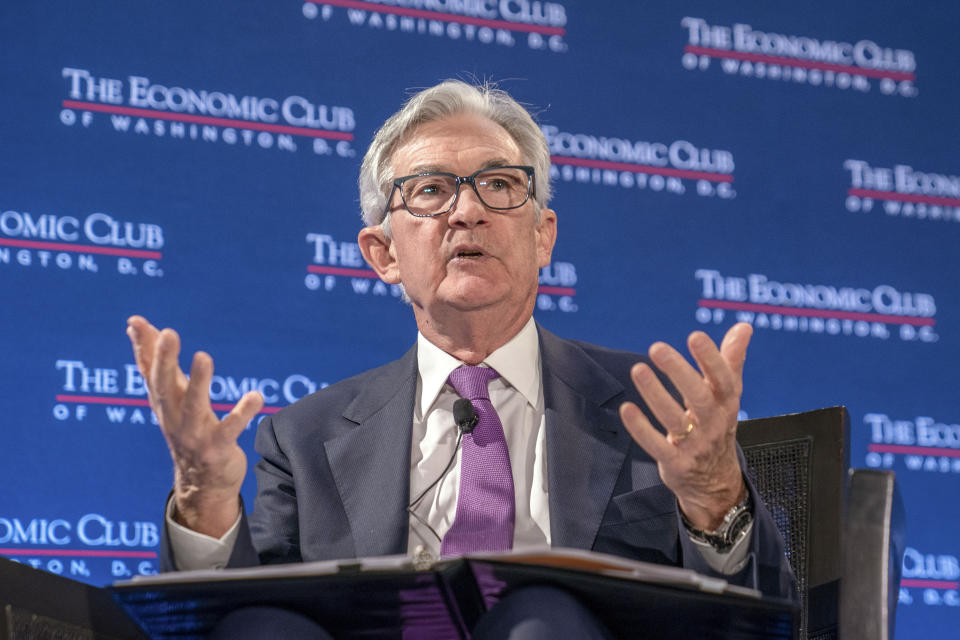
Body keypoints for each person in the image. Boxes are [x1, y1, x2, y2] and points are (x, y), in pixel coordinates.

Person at [126, 80, 796, 638]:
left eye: (500, 185)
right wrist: (205, 497)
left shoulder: (652, 412)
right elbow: (239, 618)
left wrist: (713, 499)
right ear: (382, 254)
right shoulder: (304, 440)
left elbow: (756, 618)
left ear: (543, 237)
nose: (468, 211)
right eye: (430, 191)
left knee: (542, 618)